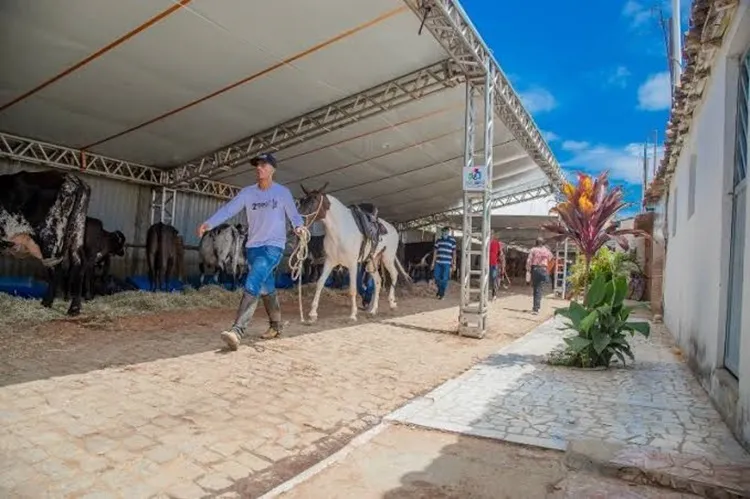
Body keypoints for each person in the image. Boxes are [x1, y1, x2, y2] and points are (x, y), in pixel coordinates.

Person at [198, 152, 305, 350]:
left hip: (273, 246)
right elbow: (229, 209)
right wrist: (209, 223)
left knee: (253, 280)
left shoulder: (282, 193)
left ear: (272, 169)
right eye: (257, 165)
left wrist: (299, 227)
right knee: (266, 286)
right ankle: (276, 325)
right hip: (253, 247)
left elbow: (294, 215)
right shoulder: (248, 193)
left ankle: (237, 330)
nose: (259, 168)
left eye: (263, 165)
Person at [525, 237, 554, 315]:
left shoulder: (533, 250)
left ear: (536, 242)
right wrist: (548, 269)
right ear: (542, 243)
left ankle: (536, 309)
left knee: (536, 289)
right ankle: (537, 307)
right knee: (539, 289)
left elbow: (529, 261)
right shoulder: (546, 250)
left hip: (535, 269)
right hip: (543, 270)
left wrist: (528, 270)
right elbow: (551, 258)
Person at [430, 226, 456, 300]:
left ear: (448, 232)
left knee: (444, 279)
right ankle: (440, 291)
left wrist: (454, 263)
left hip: (447, 263)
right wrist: (433, 263)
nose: (445, 233)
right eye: (444, 231)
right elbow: (435, 252)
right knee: (436, 277)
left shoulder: (452, 241)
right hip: (438, 262)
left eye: (446, 231)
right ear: (442, 232)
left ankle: (441, 294)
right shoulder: (438, 240)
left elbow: (454, 253)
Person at [489, 232, 504, 300]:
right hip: (491, 264)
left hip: (494, 264)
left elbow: (500, 254)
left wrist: (501, 263)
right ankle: (493, 294)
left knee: (493, 278)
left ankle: (494, 294)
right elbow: (500, 254)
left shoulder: (496, 243)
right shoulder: (488, 243)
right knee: (493, 279)